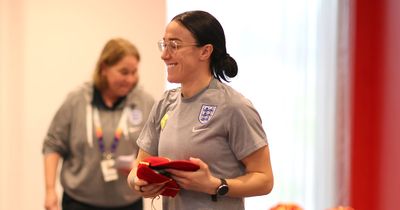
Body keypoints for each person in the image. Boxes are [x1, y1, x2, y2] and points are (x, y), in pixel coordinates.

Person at [127, 10, 273, 210]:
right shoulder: (164, 103)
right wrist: (140, 183)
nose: (164, 55)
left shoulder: (234, 106)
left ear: (205, 51)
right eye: (164, 44)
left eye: (175, 45)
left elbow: (264, 180)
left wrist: (216, 185)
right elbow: (137, 169)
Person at [42, 38, 155, 210]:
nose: (131, 79)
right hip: (79, 202)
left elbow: (158, 148)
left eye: (134, 72)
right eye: (124, 72)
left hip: (128, 202)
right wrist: (50, 191)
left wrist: (142, 165)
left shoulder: (145, 102)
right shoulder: (77, 101)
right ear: (104, 68)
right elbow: (52, 144)